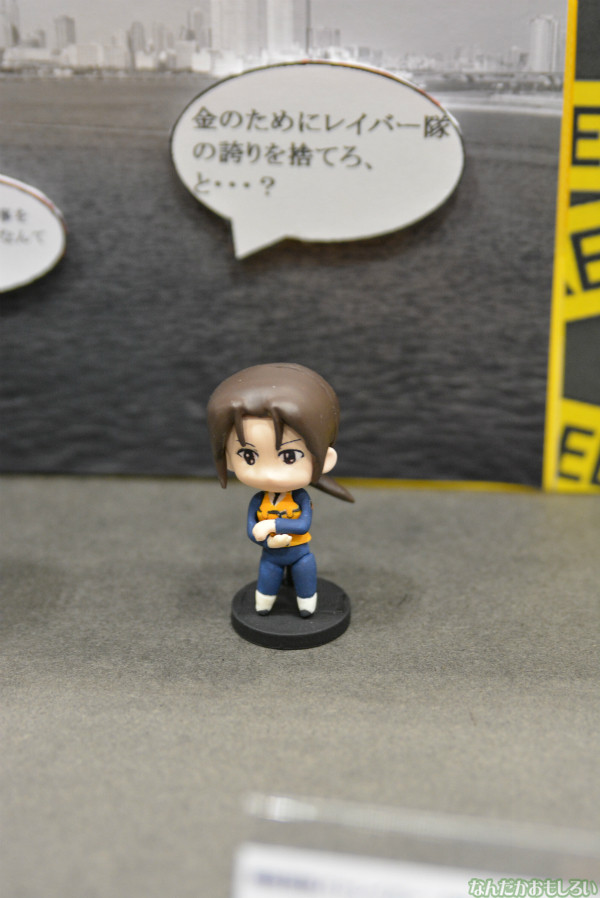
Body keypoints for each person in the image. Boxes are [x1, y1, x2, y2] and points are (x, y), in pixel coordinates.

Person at [207, 363, 353, 617]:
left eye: (289, 456)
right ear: (229, 460)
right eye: (248, 456)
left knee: (305, 580)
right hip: (270, 556)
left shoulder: (300, 498)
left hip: (300, 555)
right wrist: (263, 537)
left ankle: (306, 602)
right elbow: (251, 529)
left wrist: (272, 526)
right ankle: (265, 602)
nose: (269, 474)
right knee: (266, 586)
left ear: (325, 459)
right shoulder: (258, 501)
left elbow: (303, 525)